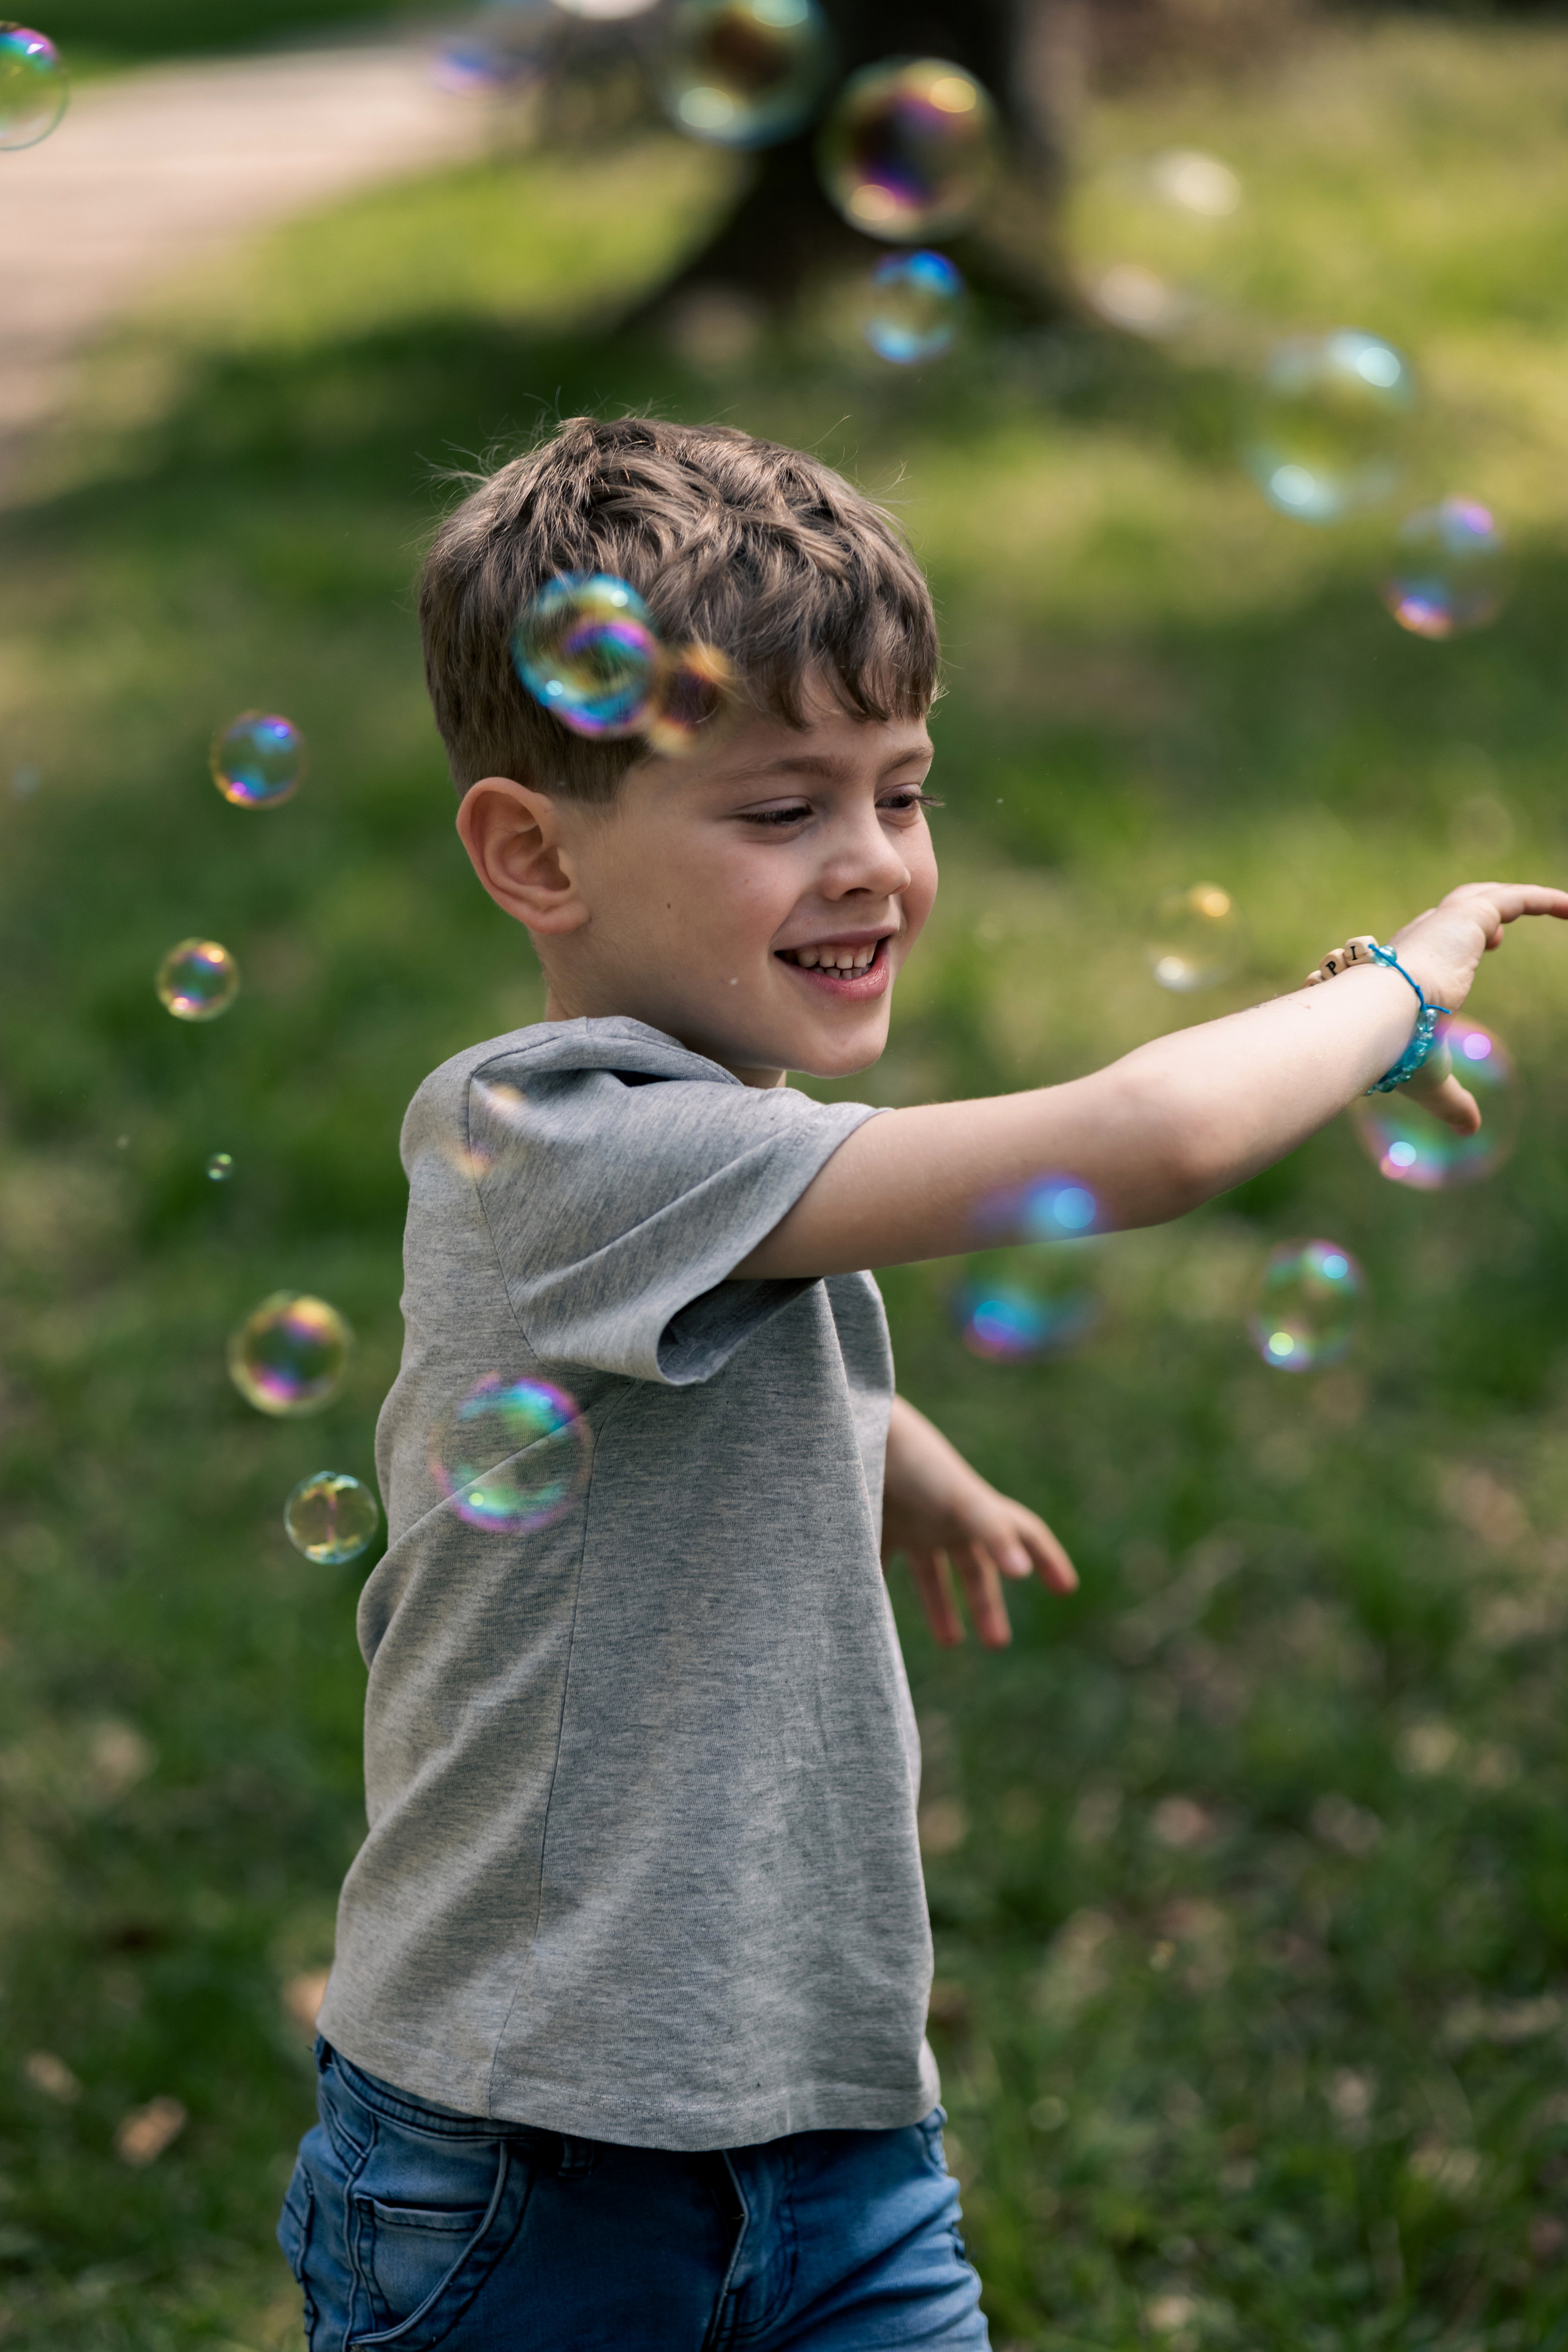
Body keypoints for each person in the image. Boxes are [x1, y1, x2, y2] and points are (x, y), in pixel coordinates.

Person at [278, 415, 1567, 2350]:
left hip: (836, 2132)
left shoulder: (717, 1142)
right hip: (520, 2168)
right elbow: (1148, 1143)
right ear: (534, 850)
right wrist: (1394, 989)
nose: (873, 861)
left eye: (904, 790)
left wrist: (895, 1448)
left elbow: (702, 1374)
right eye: (782, 809)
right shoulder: (551, 1140)